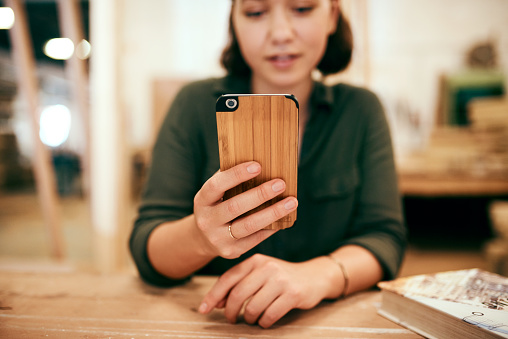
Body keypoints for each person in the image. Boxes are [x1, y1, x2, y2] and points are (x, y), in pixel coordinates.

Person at [130, 0, 406, 329]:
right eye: (256, 13)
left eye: (302, 8)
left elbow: (384, 238)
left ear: (332, 16)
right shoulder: (193, 104)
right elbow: (147, 246)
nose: (280, 33)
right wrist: (200, 237)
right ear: (233, 21)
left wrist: (320, 275)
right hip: (211, 324)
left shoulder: (361, 110)